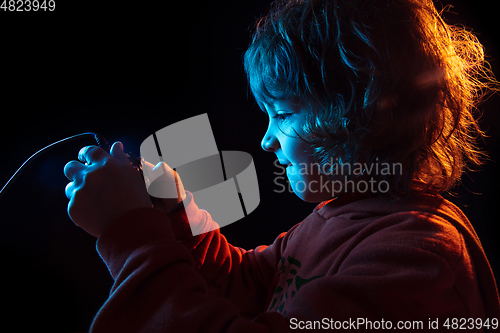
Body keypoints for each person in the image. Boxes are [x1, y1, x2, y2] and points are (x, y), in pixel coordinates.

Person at [63, 0, 500, 331]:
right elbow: (246, 286)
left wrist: (131, 233)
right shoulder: (337, 218)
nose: (266, 140)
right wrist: (173, 211)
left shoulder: (418, 258)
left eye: (285, 115)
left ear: (365, 111)